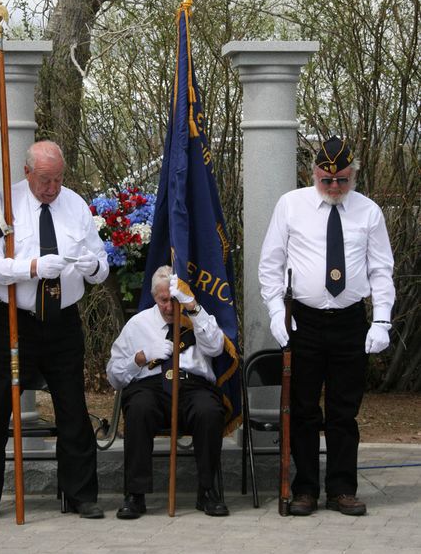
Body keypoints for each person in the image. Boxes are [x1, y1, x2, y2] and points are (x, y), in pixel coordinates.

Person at [0, 140, 109, 523]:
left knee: (73, 408)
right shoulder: (4, 205)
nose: (52, 188)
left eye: (59, 178)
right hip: (13, 321)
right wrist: (30, 268)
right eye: (45, 179)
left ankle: (81, 494)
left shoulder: (75, 205)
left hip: (62, 321)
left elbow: (101, 263)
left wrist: (94, 266)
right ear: (28, 172)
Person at [258, 135, 395, 517]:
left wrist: (381, 319)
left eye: (343, 180)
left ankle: (341, 489)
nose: (334, 187)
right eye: (326, 179)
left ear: (353, 175)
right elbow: (270, 264)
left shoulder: (368, 212)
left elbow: (381, 270)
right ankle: (305, 490)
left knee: (343, 411)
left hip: (351, 320)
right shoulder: (291, 205)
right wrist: (274, 312)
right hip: (305, 319)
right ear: (314, 172)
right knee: (302, 409)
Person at [107, 265, 229, 519]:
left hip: (193, 387)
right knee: (139, 409)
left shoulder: (196, 317)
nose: (170, 307)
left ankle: (207, 491)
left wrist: (192, 307)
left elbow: (217, 348)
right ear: (155, 297)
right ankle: (135, 495)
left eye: (174, 300)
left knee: (209, 411)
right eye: (164, 301)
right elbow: (114, 376)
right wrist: (140, 358)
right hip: (151, 387)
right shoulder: (137, 324)